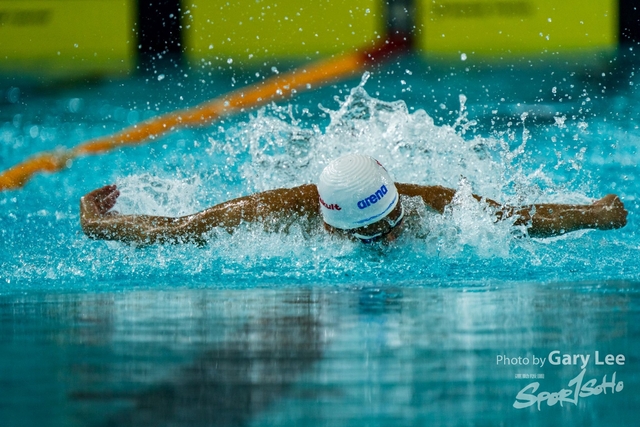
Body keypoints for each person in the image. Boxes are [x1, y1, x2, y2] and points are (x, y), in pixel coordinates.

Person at [80, 154, 628, 245]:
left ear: (398, 206)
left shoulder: (426, 202)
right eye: (362, 234)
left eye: (386, 226)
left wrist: (595, 215)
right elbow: (181, 228)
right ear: (326, 222)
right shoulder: (271, 214)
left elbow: (515, 218)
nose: (380, 242)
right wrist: (101, 224)